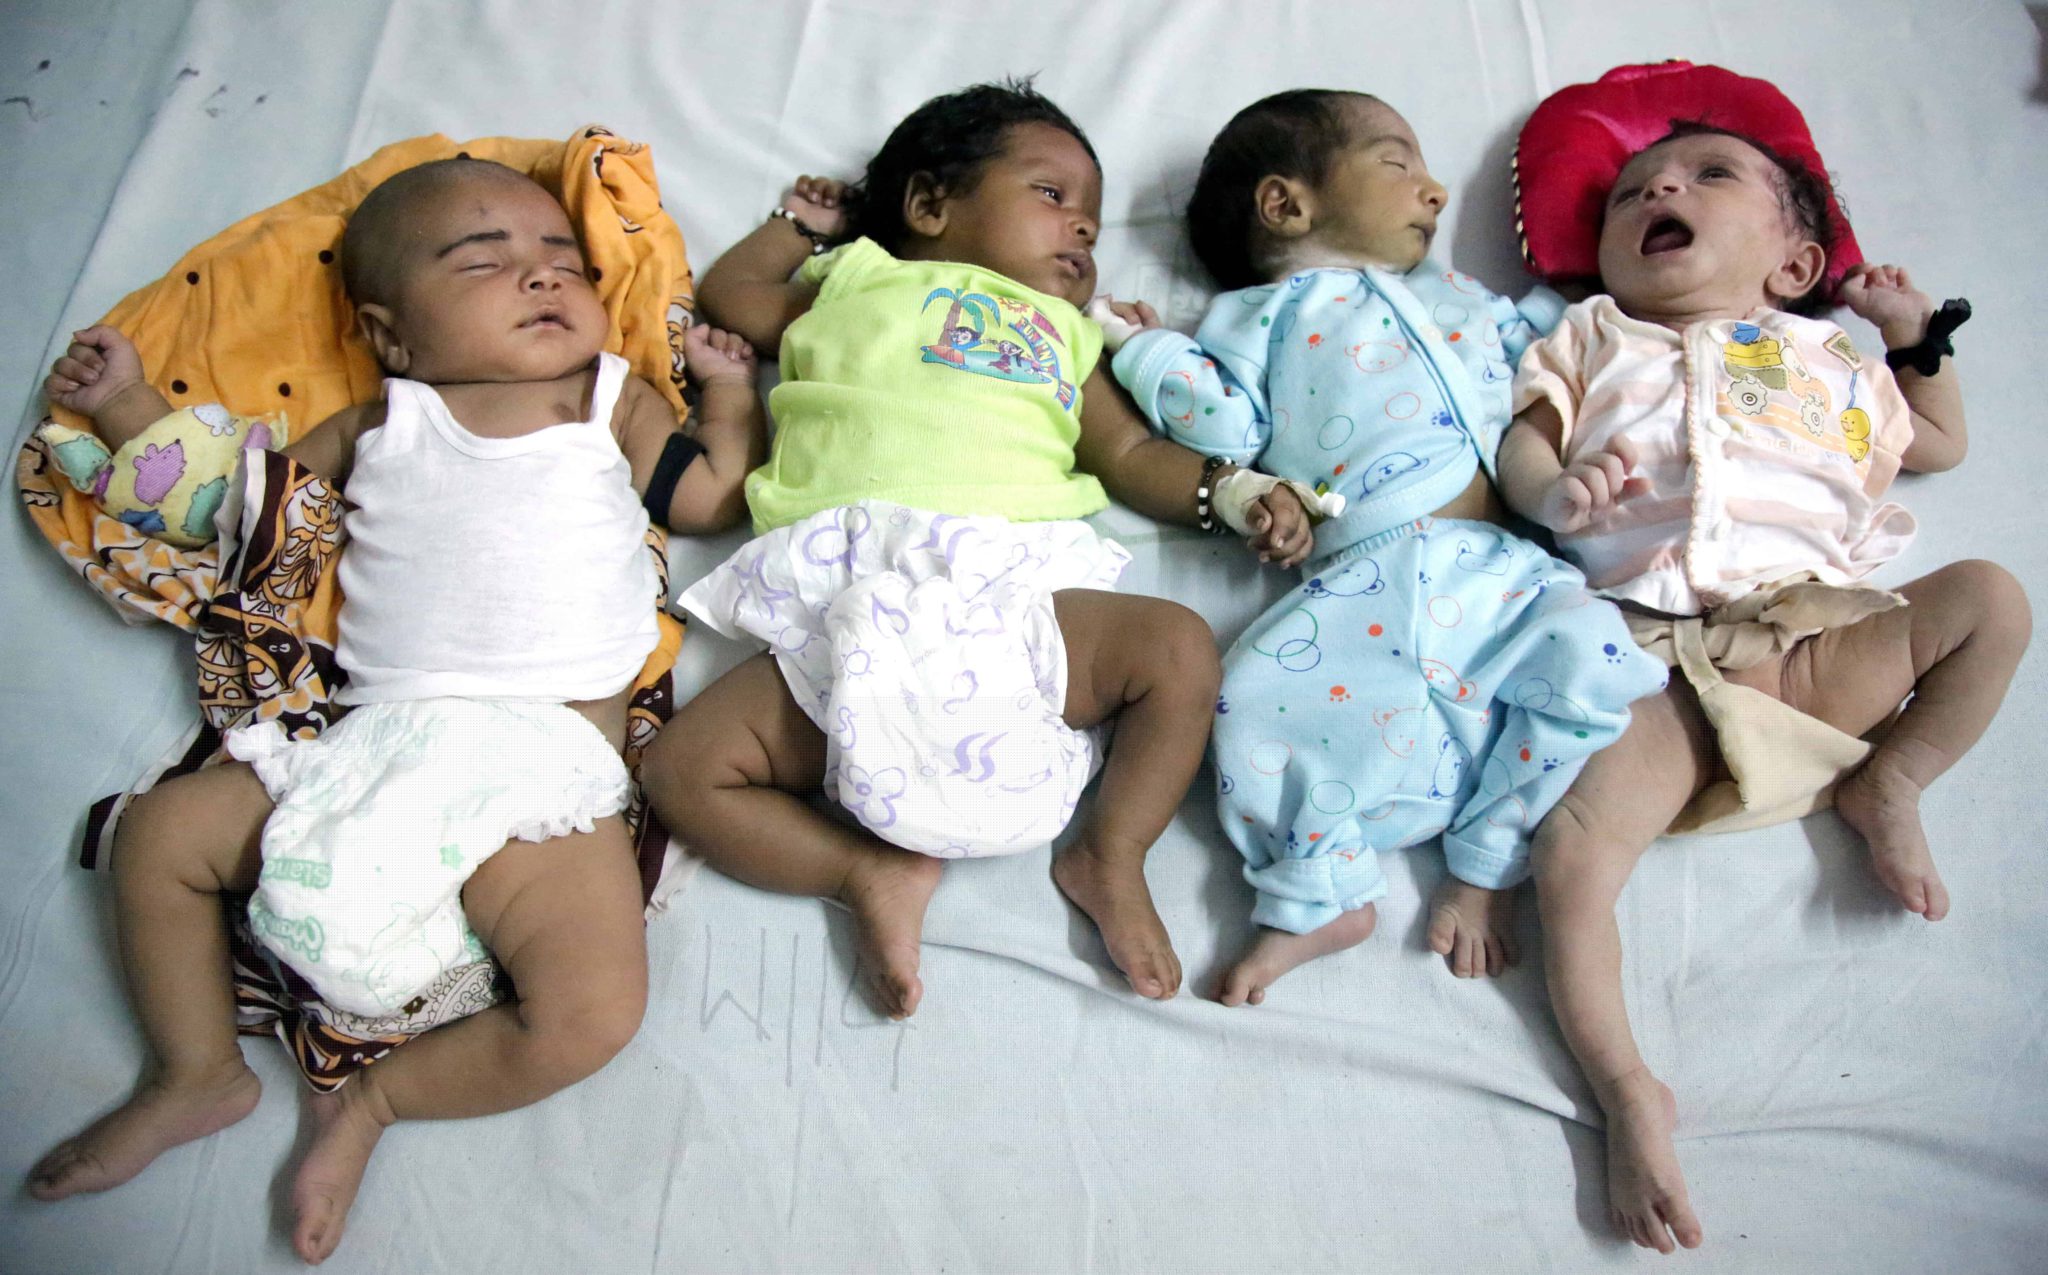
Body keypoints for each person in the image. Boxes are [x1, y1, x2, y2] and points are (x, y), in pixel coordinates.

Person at [28, 156, 766, 1264]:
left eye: (561, 260)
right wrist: (126, 402)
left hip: (543, 774)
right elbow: (230, 504)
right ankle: (195, 1071)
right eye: (483, 262)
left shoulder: (607, 397)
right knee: (161, 835)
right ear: (392, 335)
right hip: (374, 748)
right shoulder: (377, 423)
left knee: (594, 1016)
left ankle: (374, 1102)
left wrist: (730, 395)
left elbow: (706, 495)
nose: (541, 277)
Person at [642, 80, 1313, 1019]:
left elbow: (1130, 453)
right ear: (928, 205)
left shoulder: (1066, 334)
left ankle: (1111, 850)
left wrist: (1230, 491)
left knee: (1179, 648)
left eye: (1092, 221)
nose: (1082, 230)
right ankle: (860, 869)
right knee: (681, 771)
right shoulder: (856, 281)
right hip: (850, 597)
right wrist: (798, 225)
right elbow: (733, 295)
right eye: (1052, 195)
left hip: (1016, 595)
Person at [1495, 123, 2032, 1253]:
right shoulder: (1591, 334)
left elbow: (1936, 441)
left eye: (1707, 176)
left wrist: (1909, 335)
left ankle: (1894, 779)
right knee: (1571, 856)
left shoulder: (1825, 357)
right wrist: (1552, 494)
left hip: (1809, 636)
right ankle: (1627, 1089)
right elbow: (1525, 443)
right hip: (1652, 652)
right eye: (1631, 192)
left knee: (1990, 599)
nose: (1659, 186)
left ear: (1794, 266)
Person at [1098, 89, 1667, 1003]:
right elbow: (1227, 425)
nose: (1435, 191)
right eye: (1397, 162)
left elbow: (1544, 353)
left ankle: (1487, 859)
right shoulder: (1258, 315)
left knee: (1598, 659)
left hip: (1504, 566)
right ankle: (1317, 889)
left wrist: (1585, 299)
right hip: (1363, 571)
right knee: (1248, 698)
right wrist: (1149, 350)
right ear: (1285, 204)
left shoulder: (1458, 296)